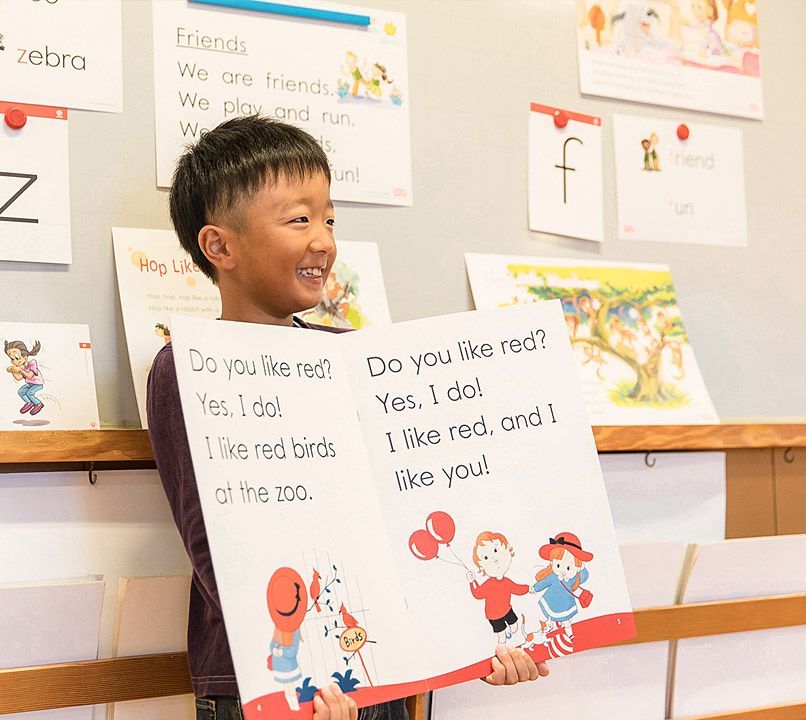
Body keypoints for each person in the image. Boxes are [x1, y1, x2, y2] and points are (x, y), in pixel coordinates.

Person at [147, 115, 549, 720]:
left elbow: (410, 510)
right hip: (273, 678)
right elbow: (213, 550)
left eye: (329, 218)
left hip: (384, 671)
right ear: (219, 247)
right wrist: (310, 652)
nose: (323, 239)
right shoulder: (185, 369)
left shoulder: (352, 357)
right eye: (298, 219)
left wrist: (480, 639)